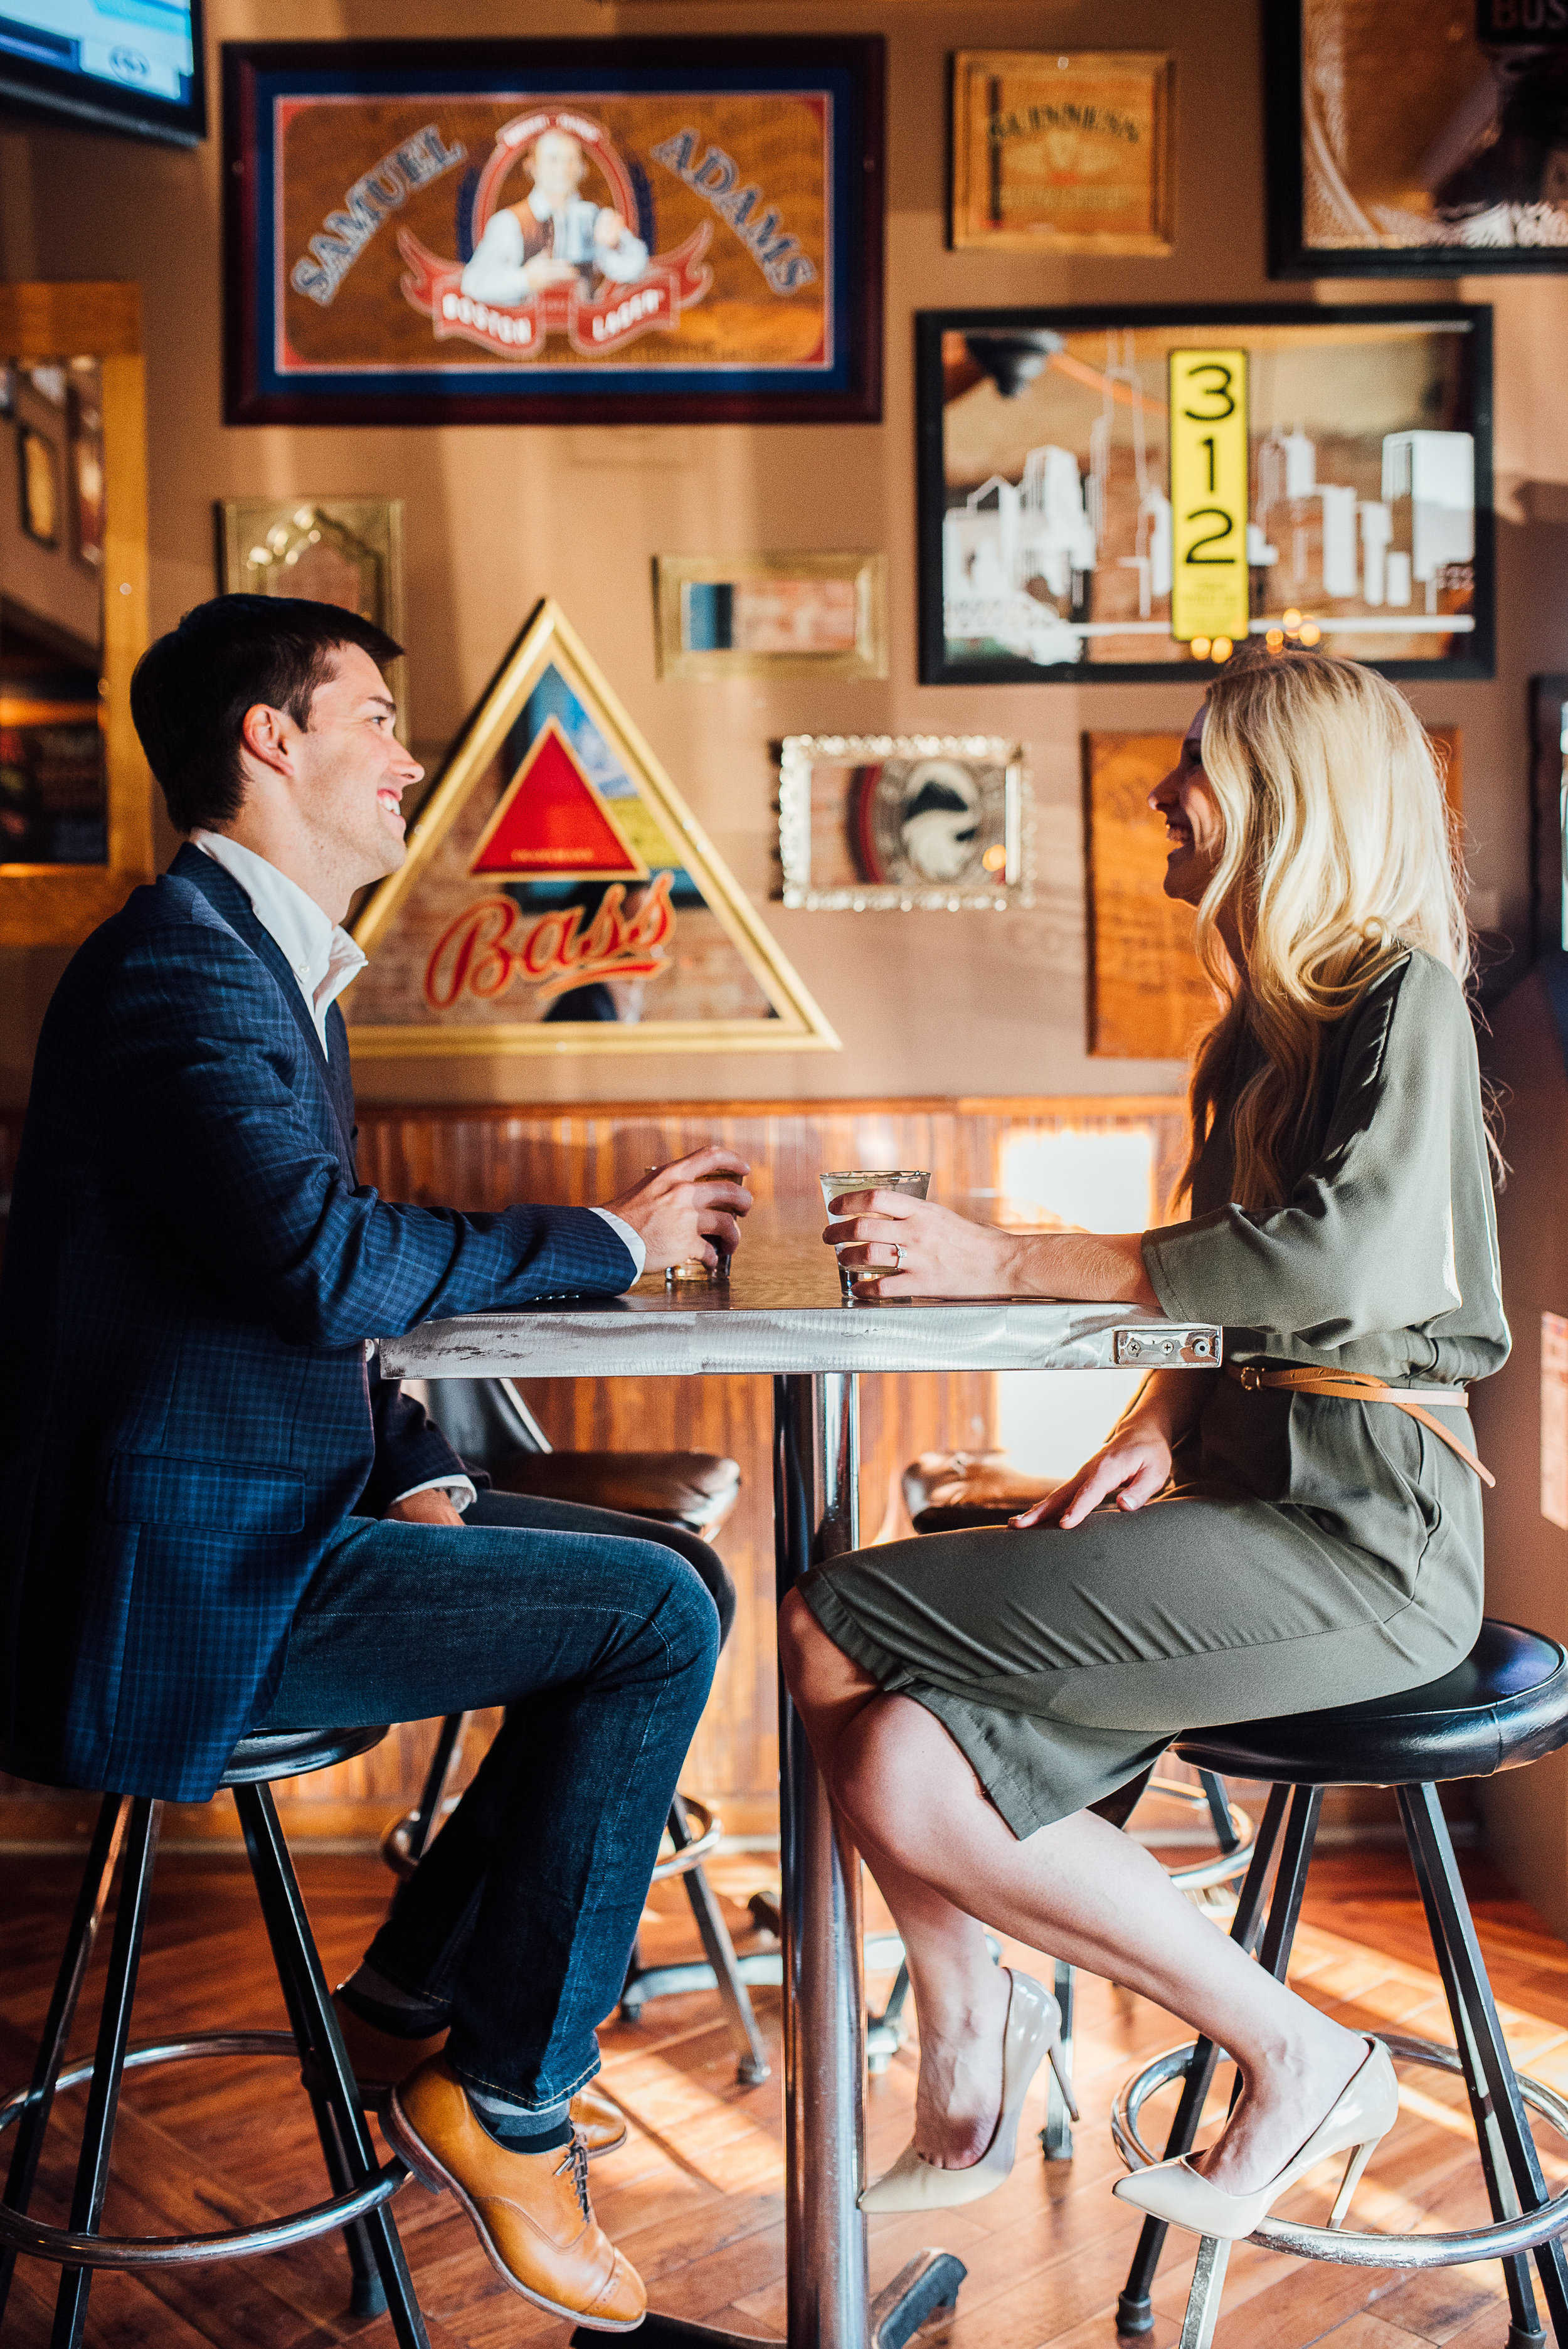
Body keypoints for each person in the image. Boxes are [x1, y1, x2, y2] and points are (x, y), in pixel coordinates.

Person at [0, 593, 754, 2331]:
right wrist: (606, 1242)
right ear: (272, 740)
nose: (409, 757)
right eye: (375, 718)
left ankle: (412, 2002)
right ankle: (501, 2100)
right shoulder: (182, 965)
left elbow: (270, 1297)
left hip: (263, 1527)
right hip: (181, 1589)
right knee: (653, 1611)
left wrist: (406, 1450)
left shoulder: (259, 959)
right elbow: (323, 1261)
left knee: (664, 1593)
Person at [780, 649, 1505, 2242]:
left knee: (832, 1613)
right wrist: (1158, 1423)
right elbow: (1224, 1281)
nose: (1160, 790)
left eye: (1195, 760)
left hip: (1373, 1546)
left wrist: (1001, 1257)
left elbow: (1330, 1272)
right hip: (1256, 1513)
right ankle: (1003, 2045)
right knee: (898, 1757)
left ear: (1286, 797)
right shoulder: (1252, 1042)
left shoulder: (1409, 997)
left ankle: (1267, 2050)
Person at [460, 125, 649, 305]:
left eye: (571, 160)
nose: (563, 169)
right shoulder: (510, 222)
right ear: (532, 167)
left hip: (583, 328)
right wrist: (525, 279)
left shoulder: (594, 217)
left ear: (583, 169)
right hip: (526, 332)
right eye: (553, 159)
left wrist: (616, 244)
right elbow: (473, 283)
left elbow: (637, 269)